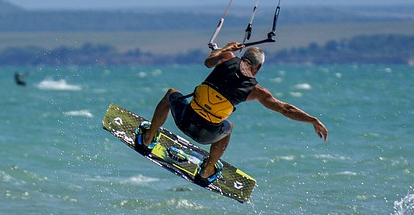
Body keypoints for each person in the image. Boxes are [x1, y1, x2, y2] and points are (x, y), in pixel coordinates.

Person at [136, 42, 328, 186]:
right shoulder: (256, 91)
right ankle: (208, 169)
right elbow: (286, 109)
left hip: (184, 119)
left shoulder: (226, 57)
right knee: (229, 127)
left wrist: (225, 48)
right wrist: (313, 120)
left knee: (171, 94)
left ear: (243, 57)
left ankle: (148, 138)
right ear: (258, 68)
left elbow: (208, 62)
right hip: (206, 136)